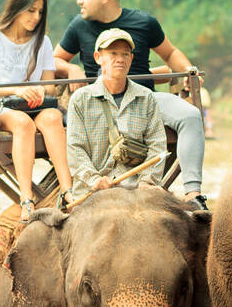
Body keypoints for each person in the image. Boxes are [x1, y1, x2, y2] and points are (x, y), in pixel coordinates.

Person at [54, 0, 208, 211]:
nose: (79, 1)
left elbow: (169, 54)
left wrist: (188, 73)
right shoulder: (79, 26)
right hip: (98, 100)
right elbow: (54, 60)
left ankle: (193, 192)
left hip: (144, 98)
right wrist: (71, 69)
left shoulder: (144, 22)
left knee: (190, 115)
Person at [0, 0, 73, 219]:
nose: (36, 17)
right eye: (31, 10)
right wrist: (17, 91)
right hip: (4, 107)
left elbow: (49, 85)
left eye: (40, 12)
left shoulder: (43, 42)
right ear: (17, 8)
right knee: (22, 124)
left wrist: (39, 90)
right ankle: (27, 199)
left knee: (53, 117)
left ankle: (69, 190)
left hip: (36, 105)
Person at [66, 28, 167, 201]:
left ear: (131, 58)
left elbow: (157, 145)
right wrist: (94, 180)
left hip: (135, 190)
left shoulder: (146, 97)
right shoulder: (80, 99)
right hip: (91, 192)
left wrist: (147, 183)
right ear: (98, 58)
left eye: (125, 54)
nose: (120, 59)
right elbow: (76, 149)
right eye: (113, 53)